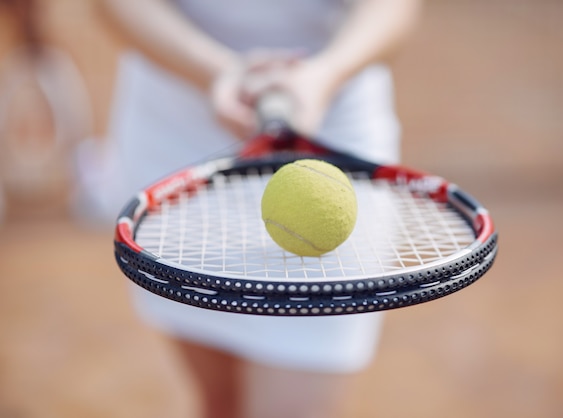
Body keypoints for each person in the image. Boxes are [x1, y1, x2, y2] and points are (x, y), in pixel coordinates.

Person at [83, 0, 421, 417]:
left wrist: (327, 73)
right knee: (220, 404)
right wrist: (217, 71)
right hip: (178, 125)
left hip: (332, 117)